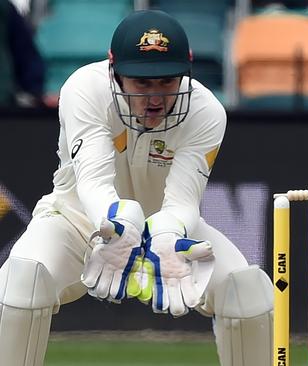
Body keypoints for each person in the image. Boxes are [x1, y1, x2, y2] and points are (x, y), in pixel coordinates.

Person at [0, 10, 273, 366]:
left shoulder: (206, 111)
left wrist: (168, 232)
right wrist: (117, 221)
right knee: (22, 280)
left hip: (164, 232)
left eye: (167, 81)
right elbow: (94, 182)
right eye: (142, 83)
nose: (155, 98)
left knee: (247, 291)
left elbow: (183, 201)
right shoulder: (85, 88)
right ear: (115, 73)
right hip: (76, 221)